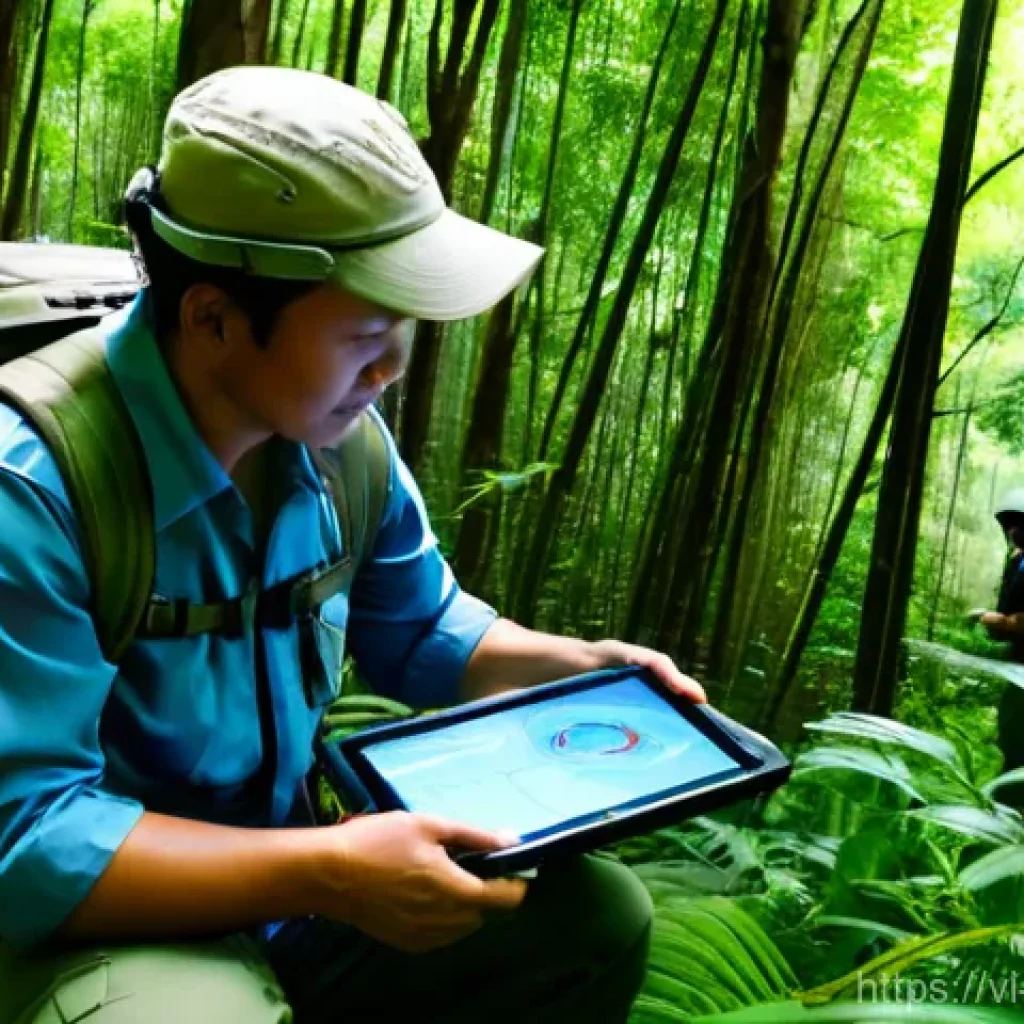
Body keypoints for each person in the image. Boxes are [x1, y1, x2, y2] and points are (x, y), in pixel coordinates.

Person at [0, 67, 706, 1023]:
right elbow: (27, 842)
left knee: (590, 922)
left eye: (404, 326)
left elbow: (421, 632)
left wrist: (578, 667)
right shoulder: (37, 489)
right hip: (101, 929)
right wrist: (333, 871)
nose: (394, 367)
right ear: (212, 316)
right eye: (368, 332)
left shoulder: (339, 447)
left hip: (293, 882)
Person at [969, 489, 1024, 792]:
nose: (1014, 531)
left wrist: (999, 620)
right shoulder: (1016, 562)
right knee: (1011, 726)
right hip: (1017, 659)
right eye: (1013, 524)